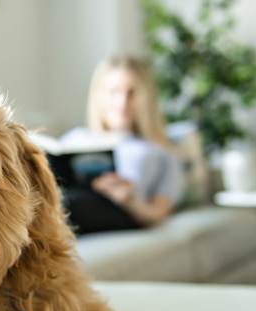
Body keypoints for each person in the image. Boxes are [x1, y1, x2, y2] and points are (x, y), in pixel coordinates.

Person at [60, 55, 184, 234]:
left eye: (132, 93)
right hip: (63, 199)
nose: (122, 102)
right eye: (113, 92)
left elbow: (159, 212)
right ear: (98, 95)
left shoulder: (160, 151)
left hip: (119, 210)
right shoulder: (74, 138)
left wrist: (131, 201)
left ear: (146, 98)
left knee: (62, 204)